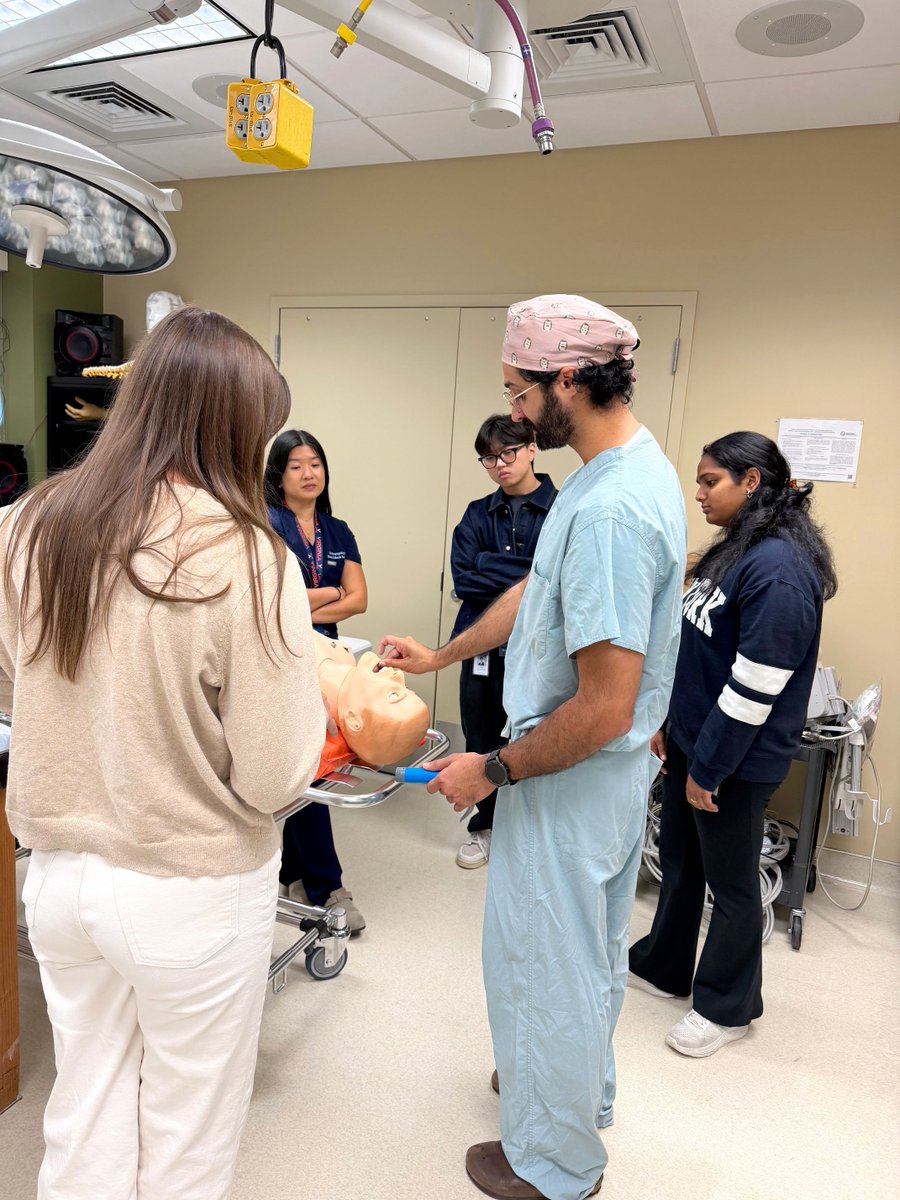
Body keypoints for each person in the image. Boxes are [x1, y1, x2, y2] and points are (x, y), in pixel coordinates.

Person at [0, 306, 324, 1199]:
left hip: (60, 878)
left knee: (88, 1099)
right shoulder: (250, 558)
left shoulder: (27, 525)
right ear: (232, 425)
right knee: (188, 1122)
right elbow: (272, 773)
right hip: (192, 885)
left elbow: (11, 685)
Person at [378, 295, 687, 1200]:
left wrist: (492, 770)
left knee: (551, 963)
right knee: (575, 954)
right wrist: (443, 654)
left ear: (567, 380)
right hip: (590, 779)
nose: (512, 412)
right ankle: (566, 1091)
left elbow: (601, 706)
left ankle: (554, 1166)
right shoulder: (611, 471)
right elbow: (532, 593)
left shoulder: (612, 512)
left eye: (518, 392)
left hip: (572, 775)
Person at [628, 432, 837, 1057]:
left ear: (752, 483)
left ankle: (727, 1006)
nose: (698, 494)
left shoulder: (780, 572)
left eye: (709, 481)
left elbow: (753, 687)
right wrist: (669, 723)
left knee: (733, 881)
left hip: (735, 761)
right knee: (683, 862)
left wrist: (709, 769)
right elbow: (699, 648)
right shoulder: (737, 551)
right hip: (697, 740)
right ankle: (666, 964)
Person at [264, 430, 368, 933]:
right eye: (296, 466)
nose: (309, 473)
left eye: (316, 465)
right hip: (277, 658)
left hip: (326, 659)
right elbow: (270, 601)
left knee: (311, 767)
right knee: (309, 769)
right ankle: (327, 887)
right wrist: (330, 591)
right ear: (279, 476)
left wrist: (310, 597)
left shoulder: (339, 529)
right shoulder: (265, 525)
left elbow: (360, 599)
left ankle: (290, 875)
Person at [450, 414, 556, 869]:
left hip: (540, 652)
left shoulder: (562, 508)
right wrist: (528, 573)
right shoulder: (478, 513)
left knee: (536, 738)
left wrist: (493, 567)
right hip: (480, 650)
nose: (498, 465)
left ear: (532, 447)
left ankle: (530, 836)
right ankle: (485, 827)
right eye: (488, 458)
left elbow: (555, 581)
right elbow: (464, 578)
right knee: (480, 735)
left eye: (507, 453)